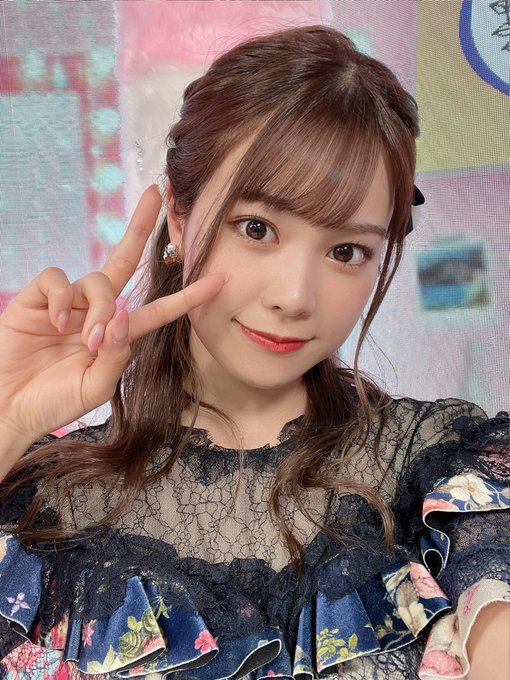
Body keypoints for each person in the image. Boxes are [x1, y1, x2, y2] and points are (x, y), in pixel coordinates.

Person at [0, 25, 507, 680]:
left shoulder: (437, 471)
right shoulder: (38, 503)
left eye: (346, 251)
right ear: (178, 217)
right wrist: (8, 418)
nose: (295, 297)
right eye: (257, 228)